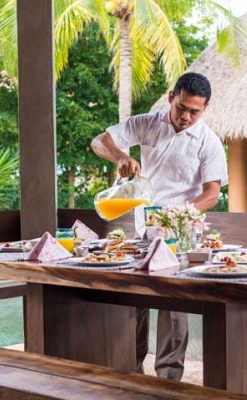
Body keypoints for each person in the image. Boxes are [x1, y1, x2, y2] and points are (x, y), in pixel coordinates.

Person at [91, 72, 227, 380]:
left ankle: (169, 381)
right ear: (171, 97)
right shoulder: (147, 124)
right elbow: (100, 141)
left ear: (204, 109)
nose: (186, 116)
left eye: (195, 111)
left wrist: (177, 215)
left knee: (173, 306)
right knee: (135, 299)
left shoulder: (208, 142)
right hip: (144, 232)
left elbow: (212, 194)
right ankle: (132, 374)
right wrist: (121, 156)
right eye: (182, 107)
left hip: (180, 234)